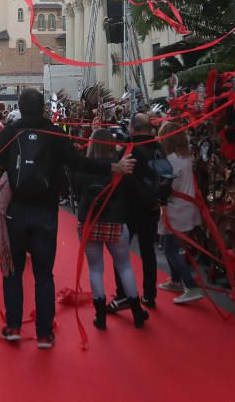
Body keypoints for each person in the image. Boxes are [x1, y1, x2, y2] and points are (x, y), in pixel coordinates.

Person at [0, 88, 135, 348]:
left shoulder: (11, 132)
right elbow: (77, 162)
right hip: (46, 213)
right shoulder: (53, 133)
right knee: (44, 274)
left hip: (15, 212)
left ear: (21, 107)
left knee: (13, 271)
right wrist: (112, 166)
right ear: (43, 108)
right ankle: (45, 333)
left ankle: (13, 326)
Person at [74, 128, 147, 330]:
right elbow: (133, 191)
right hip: (115, 220)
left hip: (89, 221)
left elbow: (76, 190)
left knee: (95, 268)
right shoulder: (120, 166)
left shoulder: (83, 167)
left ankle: (100, 316)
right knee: (124, 266)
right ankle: (137, 312)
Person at [108, 112, 162, 311]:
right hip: (151, 208)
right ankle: (149, 294)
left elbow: (124, 178)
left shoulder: (130, 149)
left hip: (130, 209)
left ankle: (122, 294)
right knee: (148, 252)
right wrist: (158, 199)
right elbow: (166, 175)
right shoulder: (159, 148)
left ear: (134, 128)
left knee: (120, 254)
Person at [155, 123, 204, 305]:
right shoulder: (184, 157)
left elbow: (170, 185)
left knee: (170, 248)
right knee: (170, 245)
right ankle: (176, 280)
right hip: (185, 206)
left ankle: (191, 286)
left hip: (177, 208)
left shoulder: (173, 160)